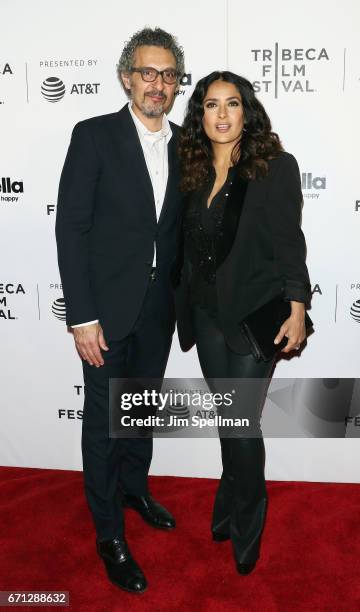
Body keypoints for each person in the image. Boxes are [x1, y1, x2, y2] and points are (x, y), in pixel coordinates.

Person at [56, 27, 185, 594]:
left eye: (169, 75)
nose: (158, 84)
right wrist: (81, 316)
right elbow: (72, 228)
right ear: (127, 76)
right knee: (105, 426)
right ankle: (109, 533)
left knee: (140, 412)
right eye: (148, 72)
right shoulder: (95, 136)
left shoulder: (188, 144)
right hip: (104, 314)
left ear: (177, 84)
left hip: (160, 311)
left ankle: (134, 490)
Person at [173, 71, 312, 575]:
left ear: (246, 111)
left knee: (239, 421)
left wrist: (297, 305)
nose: (224, 114)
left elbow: (289, 241)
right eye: (212, 105)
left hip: (257, 316)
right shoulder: (188, 169)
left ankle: (245, 523)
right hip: (207, 316)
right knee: (229, 419)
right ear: (201, 115)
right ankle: (229, 503)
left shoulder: (274, 167)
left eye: (233, 103)